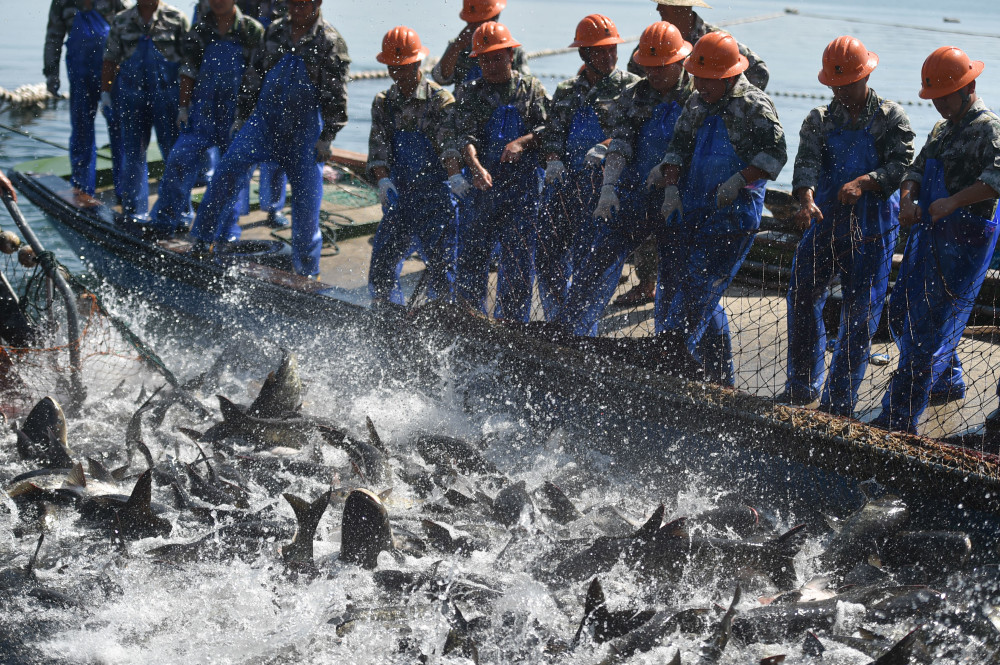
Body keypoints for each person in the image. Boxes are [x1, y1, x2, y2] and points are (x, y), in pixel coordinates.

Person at [782, 36, 915, 416]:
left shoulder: (892, 117)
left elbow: (901, 168)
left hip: (873, 228)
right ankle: (802, 383)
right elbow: (805, 164)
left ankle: (839, 402)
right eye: (835, 86)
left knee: (860, 314)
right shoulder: (819, 120)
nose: (842, 92)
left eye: (849, 84)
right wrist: (805, 198)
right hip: (824, 222)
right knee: (803, 296)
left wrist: (865, 182)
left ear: (866, 75)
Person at [873, 46, 1000, 434]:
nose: (940, 105)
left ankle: (899, 417)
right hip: (929, 237)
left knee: (931, 332)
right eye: (934, 99)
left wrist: (954, 202)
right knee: (905, 313)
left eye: (945, 97)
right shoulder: (942, 128)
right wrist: (909, 198)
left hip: (966, 242)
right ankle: (948, 380)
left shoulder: (989, 129)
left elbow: (996, 182)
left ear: (969, 86)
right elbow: (915, 167)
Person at [653, 31, 786, 385]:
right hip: (693, 208)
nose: (698, 84)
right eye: (695, 76)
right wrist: (670, 188)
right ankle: (720, 378)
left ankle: (672, 363)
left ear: (727, 75)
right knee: (696, 291)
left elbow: (775, 154)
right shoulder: (696, 103)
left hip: (734, 216)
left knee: (699, 289)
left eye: (706, 79)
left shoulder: (755, 106)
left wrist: (739, 180)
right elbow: (677, 146)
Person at [620, 0, 771, 307]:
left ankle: (678, 308)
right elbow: (637, 80)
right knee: (656, 219)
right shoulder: (655, 39)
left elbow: (758, 73)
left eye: (666, 6)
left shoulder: (715, 41)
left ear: (685, 9)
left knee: (694, 267)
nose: (660, 11)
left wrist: (724, 103)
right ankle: (648, 282)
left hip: (704, 144)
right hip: (667, 138)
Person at [189, 0, 350, 278]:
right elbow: (254, 75)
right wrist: (242, 117)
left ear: (318, 3)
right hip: (262, 123)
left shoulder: (330, 41)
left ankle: (306, 273)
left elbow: (337, 96)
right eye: (294, 2)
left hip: (304, 133)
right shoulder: (274, 30)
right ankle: (202, 240)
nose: (298, 7)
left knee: (306, 204)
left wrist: (327, 137)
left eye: (305, 3)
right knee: (228, 169)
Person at [556, 21, 691, 337]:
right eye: (649, 67)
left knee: (677, 279)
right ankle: (572, 334)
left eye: (661, 68)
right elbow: (620, 143)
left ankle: (670, 347)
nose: (654, 74)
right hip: (635, 194)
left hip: (681, 202)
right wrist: (608, 188)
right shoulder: (635, 95)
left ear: (680, 61)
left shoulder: (697, 98)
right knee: (596, 264)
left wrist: (673, 182)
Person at [535, 14, 638, 326]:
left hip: (606, 191)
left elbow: (632, 132)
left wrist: (606, 146)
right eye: (599, 51)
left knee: (592, 263)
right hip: (566, 188)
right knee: (548, 255)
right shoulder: (567, 91)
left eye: (611, 49)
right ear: (583, 54)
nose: (608, 56)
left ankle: (582, 331)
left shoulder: (632, 89)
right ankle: (556, 320)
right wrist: (553, 160)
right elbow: (552, 133)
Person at [447, 22, 548, 321]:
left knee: (517, 262)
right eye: (484, 59)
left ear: (510, 55)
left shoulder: (531, 88)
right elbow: (465, 136)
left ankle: (512, 324)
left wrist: (522, 142)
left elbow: (548, 129)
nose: (490, 65)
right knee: (472, 258)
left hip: (523, 191)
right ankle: (469, 319)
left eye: (496, 57)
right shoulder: (470, 91)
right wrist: (475, 167)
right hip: (483, 189)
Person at [149, 0, 264, 236]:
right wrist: (183, 107)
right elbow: (188, 69)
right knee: (178, 161)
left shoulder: (251, 30)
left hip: (236, 116)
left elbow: (260, 75)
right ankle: (165, 223)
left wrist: (249, 117)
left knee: (232, 174)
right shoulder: (200, 30)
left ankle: (225, 232)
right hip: (202, 114)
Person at [367, 27, 457, 305]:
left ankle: (438, 320)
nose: (398, 73)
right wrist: (383, 181)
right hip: (400, 196)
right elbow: (378, 149)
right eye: (393, 67)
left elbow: (449, 149)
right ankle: (388, 317)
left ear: (418, 62)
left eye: (404, 66)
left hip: (436, 199)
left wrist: (455, 178)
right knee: (382, 267)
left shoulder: (440, 101)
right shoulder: (384, 103)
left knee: (444, 271)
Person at [101, 0, 190, 219]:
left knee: (173, 154)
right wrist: (105, 93)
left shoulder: (176, 19)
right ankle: (134, 211)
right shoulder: (121, 20)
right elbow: (110, 59)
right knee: (133, 155)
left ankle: (178, 211)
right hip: (132, 99)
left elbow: (189, 62)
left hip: (168, 100)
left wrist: (185, 105)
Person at [44, 0, 129, 196]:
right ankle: (82, 190)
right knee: (82, 131)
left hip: (114, 74)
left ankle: (126, 191)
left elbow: (131, 29)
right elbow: (53, 37)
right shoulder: (61, 3)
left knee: (121, 131)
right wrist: (51, 74)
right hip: (80, 75)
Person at [432, 0, 529, 88]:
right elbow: (440, 78)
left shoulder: (511, 48)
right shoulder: (458, 45)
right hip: (466, 103)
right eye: (472, 22)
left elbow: (525, 85)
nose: (475, 26)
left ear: (494, 17)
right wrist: (457, 46)